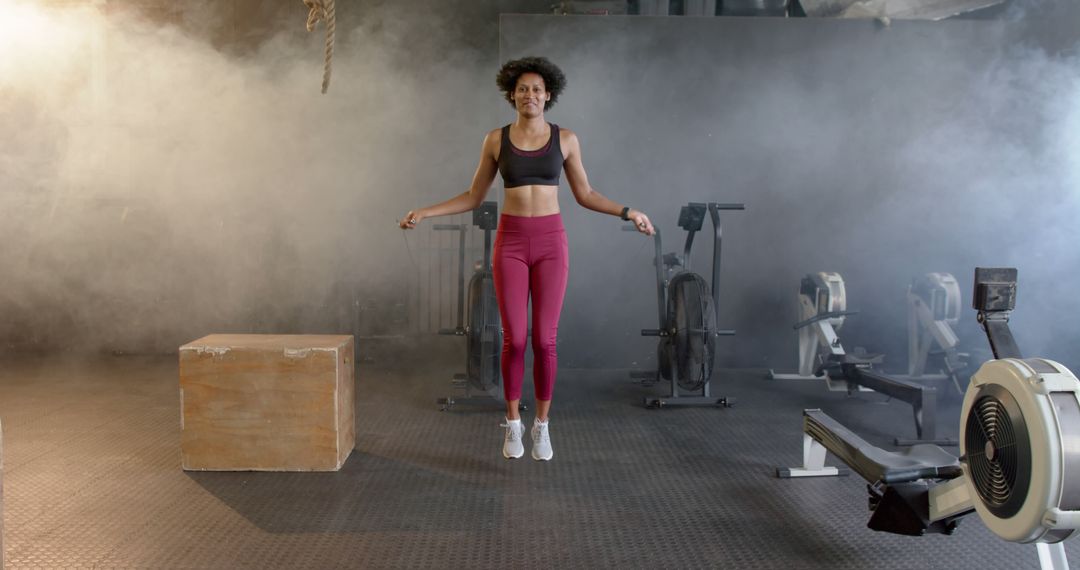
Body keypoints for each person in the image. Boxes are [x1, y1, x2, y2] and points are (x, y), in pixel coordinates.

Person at [400, 56, 654, 461]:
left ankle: (542, 425)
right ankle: (513, 424)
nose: (529, 95)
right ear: (511, 95)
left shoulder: (566, 139)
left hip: (551, 243)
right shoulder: (496, 140)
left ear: (548, 95)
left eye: (536, 89)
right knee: (515, 339)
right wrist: (424, 211)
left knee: (545, 340)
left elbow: (586, 195)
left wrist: (629, 211)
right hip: (512, 243)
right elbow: (473, 196)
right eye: (522, 89)